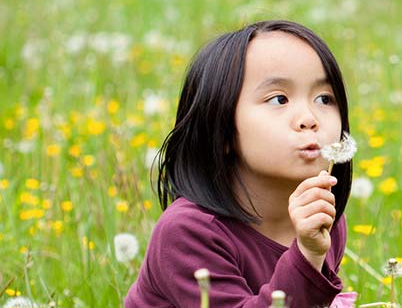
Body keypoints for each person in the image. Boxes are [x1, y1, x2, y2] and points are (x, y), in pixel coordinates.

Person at [126, 20, 353, 307]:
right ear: (221, 129)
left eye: (324, 98)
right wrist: (307, 256)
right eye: (279, 99)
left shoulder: (322, 218)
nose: (309, 118)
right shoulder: (188, 232)